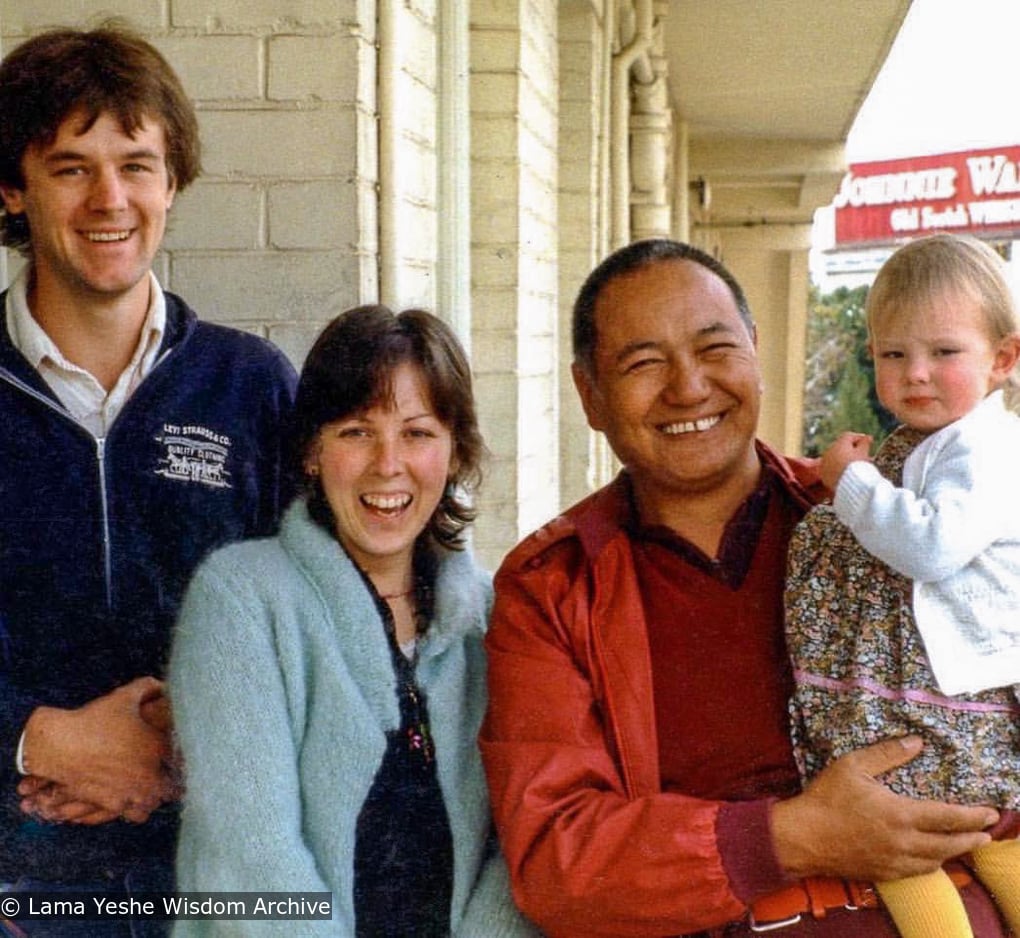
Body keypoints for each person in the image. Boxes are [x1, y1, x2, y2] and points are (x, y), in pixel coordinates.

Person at [479, 237, 1017, 937]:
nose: (688, 387)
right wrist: (790, 837)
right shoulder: (555, 587)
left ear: (756, 353)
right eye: (643, 362)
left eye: (714, 349)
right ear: (590, 395)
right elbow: (560, 860)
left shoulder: (862, 514)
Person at [0, 23, 297, 932]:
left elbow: (322, 617)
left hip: (224, 884)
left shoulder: (253, 388)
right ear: (11, 188)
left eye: (136, 164)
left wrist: (180, 737)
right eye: (70, 167)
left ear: (172, 182)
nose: (110, 199)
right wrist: (38, 740)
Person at [169, 305, 538, 937]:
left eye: (418, 433)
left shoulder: (497, 618)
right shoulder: (242, 598)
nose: (388, 463)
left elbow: (523, 849)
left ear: (454, 453)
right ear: (312, 451)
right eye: (356, 432)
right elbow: (250, 858)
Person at [786, 233, 1020, 938]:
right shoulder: (941, 441)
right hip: (946, 706)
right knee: (992, 839)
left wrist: (849, 483)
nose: (915, 374)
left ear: (1003, 359)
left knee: (901, 849)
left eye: (944, 353)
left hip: (947, 710)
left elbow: (929, 544)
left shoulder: (984, 449)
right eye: (893, 354)